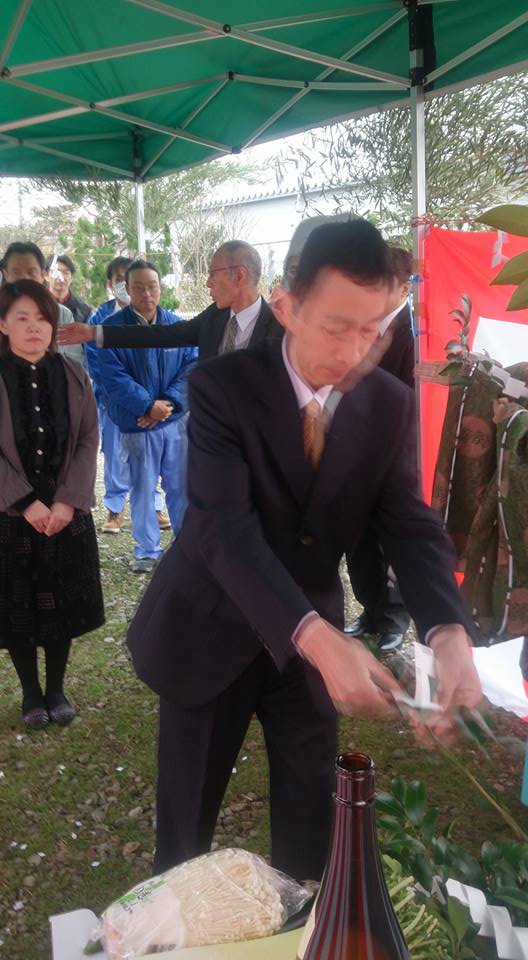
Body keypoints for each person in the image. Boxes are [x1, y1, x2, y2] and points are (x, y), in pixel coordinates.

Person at [125, 219, 482, 881]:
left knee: (312, 826)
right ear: (287, 306)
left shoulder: (389, 404)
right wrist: (320, 640)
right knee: (184, 837)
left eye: (372, 331)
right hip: (211, 627)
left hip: (308, 648)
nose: (354, 353)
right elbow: (221, 529)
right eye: (335, 327)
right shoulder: (223, 387)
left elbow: (408, 521)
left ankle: (306, 928)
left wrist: (449, 631)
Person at [0, 280, 104, 730]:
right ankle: (29, 692)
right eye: (21, 318)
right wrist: (23, 501)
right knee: (17, 605)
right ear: (3, 324)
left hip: (64, 515)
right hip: (10, 515)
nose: (33, 328)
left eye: (42, 318)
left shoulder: (73, 375)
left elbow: (86, 439)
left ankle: (57, 687)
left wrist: (67, 502)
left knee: (60, 602)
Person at [97, 259, 197, 573]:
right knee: (142, 487)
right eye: (138, 287)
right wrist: (146, 407)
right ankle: (146, 550)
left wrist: (166, 404)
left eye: (151, 286)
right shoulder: (112, 330)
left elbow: (192, 366)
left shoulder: (175, 325)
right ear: (126, 289)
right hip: (135, 424)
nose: (146, 293)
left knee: (180, 486)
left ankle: (186, 547)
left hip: (173, 423)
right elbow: (111, 377)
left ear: (160, 288)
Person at [345, 246, 415, 650]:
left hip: (392, 451)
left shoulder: (415, 332)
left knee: (392, 538)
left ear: (403, 286)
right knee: (357, 535)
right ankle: (370, 607)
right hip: (352, 449)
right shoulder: (360, 325)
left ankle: (394, 617)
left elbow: (410, 397)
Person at [56, 241, 282, 358]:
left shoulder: (280, 329)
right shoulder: (214, 317)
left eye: (213, 273)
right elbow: (162, 334)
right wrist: (92, 332)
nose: (208, 283)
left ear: (239, 275)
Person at [85, 257, 169, 535]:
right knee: (114, 454)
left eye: (127, 278)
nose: (125, 285)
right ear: (112, 284)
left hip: (154, 406)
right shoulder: (100, 319)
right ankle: (115, 508)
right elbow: (99, 366)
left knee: (151, 459)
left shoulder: (161, 318)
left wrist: (153, 405)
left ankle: (155, 507)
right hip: (114, 402)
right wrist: (137, 402)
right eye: (119, 279)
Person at [1, 242, 85, 368]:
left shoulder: (62, 314)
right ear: (6, 274)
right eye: (17, 272)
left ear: (43, 275)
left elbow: (74, 361)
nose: (25, 278)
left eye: (31, 272)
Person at [45, 253, 92, 323]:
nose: (61, 278)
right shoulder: (35, 306)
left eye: (66, 273)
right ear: (46, 276)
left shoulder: (84, 311)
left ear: (71, 277)